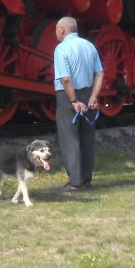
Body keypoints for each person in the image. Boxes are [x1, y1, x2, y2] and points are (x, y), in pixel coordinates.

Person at [53, 16, 104, 192]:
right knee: (87, 137)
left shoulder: (61, 49)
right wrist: (94, 96)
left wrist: (74, 100)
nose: (55, 33)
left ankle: (74, 181)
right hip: (88, 93)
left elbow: (66, 79)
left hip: (69, 96)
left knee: (70, 138)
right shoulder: (90, 46)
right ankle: (86, 180)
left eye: (56, 29)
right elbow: (100, 73)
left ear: (62, 30)